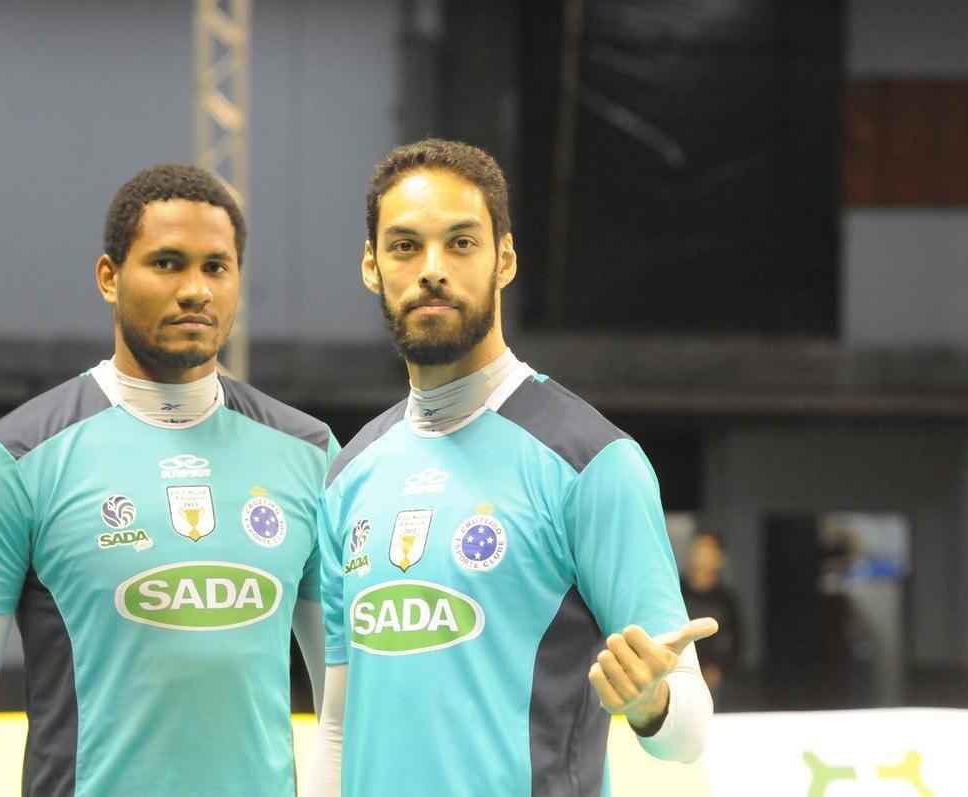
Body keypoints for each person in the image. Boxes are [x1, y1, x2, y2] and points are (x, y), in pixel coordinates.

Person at [0, 164, 336, 797]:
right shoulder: (10, 462)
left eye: (216, 267)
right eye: (167, 263)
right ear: (109, 277)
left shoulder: (311, 454)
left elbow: (344, 706)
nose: (196, 290)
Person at [310, 139, 715, 797]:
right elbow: (336, 728)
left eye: (461, 243)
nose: (432, 269)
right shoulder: (348, 475)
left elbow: (689, 728)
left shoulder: (593, 462)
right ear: (371, 264)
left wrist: (651, 705)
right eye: (406, 246)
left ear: (504, 258)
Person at [680, 532, 742, 699]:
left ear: (719, 558)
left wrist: (718, 668)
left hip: (714, 677)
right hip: (678, 673)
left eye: (708, 551)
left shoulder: (726, 599)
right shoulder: (677, 592)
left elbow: (735, 640)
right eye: (698, 551)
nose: (702, 557)